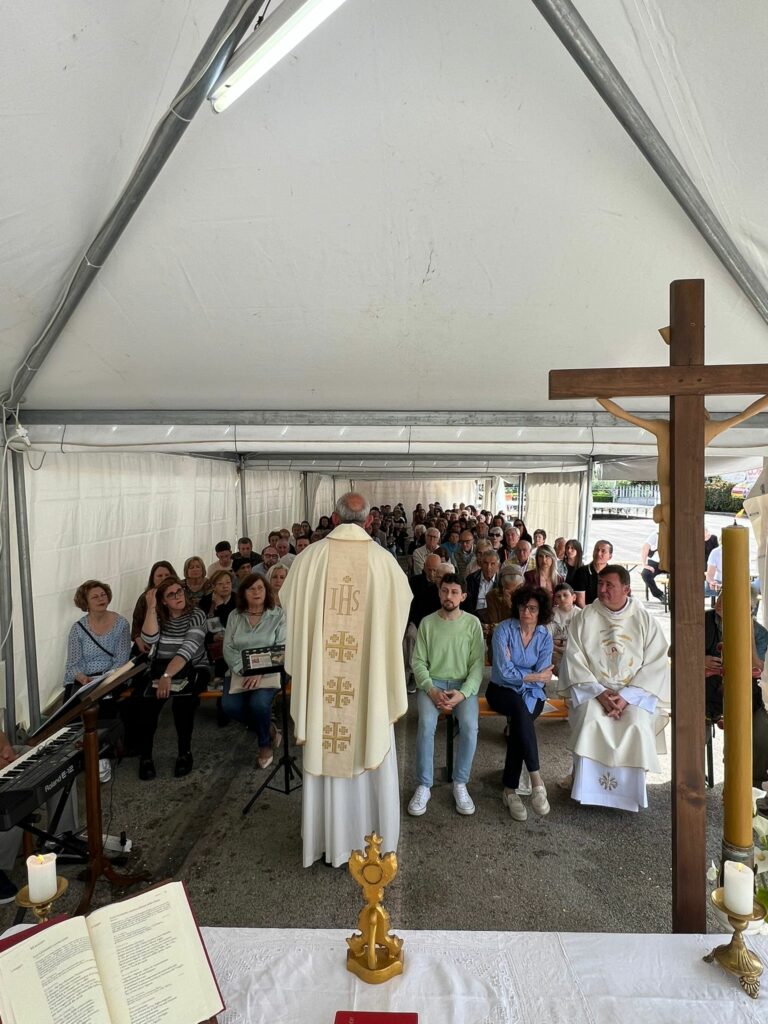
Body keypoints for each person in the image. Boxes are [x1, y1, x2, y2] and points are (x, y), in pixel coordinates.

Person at [280, 492, 412, 868]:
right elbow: (400, 613)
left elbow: (290, 608)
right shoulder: (384, 563)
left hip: (323, 687)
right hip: (369, 689)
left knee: (326, 743)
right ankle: (373, 839)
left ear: (334, 520)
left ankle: (329, 844)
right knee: (370, 743)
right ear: (369, 521)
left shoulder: (308, 560)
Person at [558, 565, 669, 812]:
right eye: (600, 584)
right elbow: (574, 658)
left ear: (626, 589)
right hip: (594, 692)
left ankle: (628, 795)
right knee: (590, 719)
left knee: (637, 723)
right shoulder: (584, 617)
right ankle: (586, 790)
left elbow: (656, 662)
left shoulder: (644, 619)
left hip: (634, 693)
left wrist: (627, 697)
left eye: (610, 585)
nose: (603, 589)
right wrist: (599, 693)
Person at [408, 574, 485, 816]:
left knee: (470, 727)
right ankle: (424, 784)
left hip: (462, 686)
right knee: (426, 725)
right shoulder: (427, 623)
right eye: (444, 591)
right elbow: (418, 661)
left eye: (454, 592)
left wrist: (463, 693)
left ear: (463, 596)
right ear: (439, 593)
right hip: (433, 684)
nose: (448, 596)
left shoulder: (472, 623)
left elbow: (477, 665)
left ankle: (460, 783)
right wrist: (430, 689)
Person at [487, 586, 554, 821]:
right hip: (500, 690)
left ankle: (510, 790)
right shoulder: (504, 630)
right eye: (523, 606)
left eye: (532, 608)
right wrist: (533, 675)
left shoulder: (544, 636)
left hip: (532, 693)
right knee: (519, 710)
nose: (526, 612)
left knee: (519, 721)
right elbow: (503, 672)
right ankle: (537, 781)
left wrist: (525, 675)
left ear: (540, 611)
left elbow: (544, 674)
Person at [138, 576, 211, 779]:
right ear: (163, 600)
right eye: (171, 595)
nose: (178, 596)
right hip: (161, 668)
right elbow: (149, 639)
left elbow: (188, 649)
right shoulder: (159, 616)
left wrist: (167, 675)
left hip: (193, 667)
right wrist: (151, 608)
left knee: (183, 704)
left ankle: (184, 753)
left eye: (180, 591)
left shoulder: (197, 614)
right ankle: (145, 756)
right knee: (145, 705)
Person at [222, 573, 286, 769]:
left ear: (266, 591)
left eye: (260, 588)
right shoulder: (235, 616)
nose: (256, 592)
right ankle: (270, 730)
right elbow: (228, 648)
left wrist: (259, 671)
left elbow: (281, 648)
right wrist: (246, 670)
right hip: (239, 672)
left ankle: (264, 745)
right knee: (230, 707)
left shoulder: (278, 615)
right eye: (251, 589)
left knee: (258, 704)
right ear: (243, 593)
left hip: (269, 673)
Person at [705, 591, 768, 786]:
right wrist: (700, 660)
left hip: (744, 696)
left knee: (760, 734)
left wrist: (747, 629)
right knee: (692, 734)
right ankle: (692, 785)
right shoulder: (703, 621)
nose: (719, 603)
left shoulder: (759, 633)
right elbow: (675, 651)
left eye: (727, 600)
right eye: (720, 598)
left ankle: (751, 788)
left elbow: (757, 668)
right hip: (706, 694)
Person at [64, 580, 131, 699]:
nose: (101, 599)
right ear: (86, 603)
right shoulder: (78, 628)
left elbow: (121, 660)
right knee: (74, 707)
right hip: (83, 680)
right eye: (95, 597)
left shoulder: (121, 624)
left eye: (103, 595)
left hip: (112, 678)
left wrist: (103, 682)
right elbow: (72, 664)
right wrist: (83, 679)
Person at [549, 582, 581, 676]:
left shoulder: (580, 614)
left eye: (565, 595)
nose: (562, 599)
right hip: (555, 653)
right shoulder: (551, 615)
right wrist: (561, 648)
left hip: (576, 652)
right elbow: (547, 640)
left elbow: (582, 640)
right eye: (558, 596)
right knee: (564, 671)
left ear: (574, 597)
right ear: (555, 599)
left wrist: (561, 643)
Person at [571, 540, 613, 608]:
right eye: (597, 550)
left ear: (610, 556)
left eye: (603, 551)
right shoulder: (581, 572)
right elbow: (580, 602)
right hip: (586, 611)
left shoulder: (613, 574)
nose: (598, 553)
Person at [463, 551, 500, 619]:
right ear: (481, 564)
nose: (488, 567)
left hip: (494, 619)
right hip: (473, 617)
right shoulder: (471, 579)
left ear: (498, 566)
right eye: (485, 563)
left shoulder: (501, 582)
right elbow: (467, 605)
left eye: (492, 564)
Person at [640, 528, 665, 602]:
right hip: (656, 562)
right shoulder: (656, 534)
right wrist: (644, 565)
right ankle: (659, 595)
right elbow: (645, 548)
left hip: (671, 562)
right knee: (645, 574)